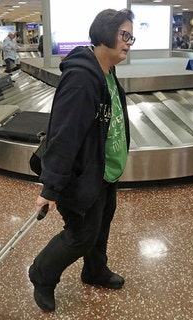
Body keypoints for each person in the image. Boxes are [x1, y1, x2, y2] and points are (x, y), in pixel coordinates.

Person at [28, 8, 134, 313]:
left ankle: (95, 271)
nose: (129, 42)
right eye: (124, 35)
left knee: (101, 226)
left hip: (104, 172)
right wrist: (51, 188)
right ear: (104, 32)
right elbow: (64, 136)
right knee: (81, 235)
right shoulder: (81, 79)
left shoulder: (106, 71)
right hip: (82, 175)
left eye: (131, 37)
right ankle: (41, 274)